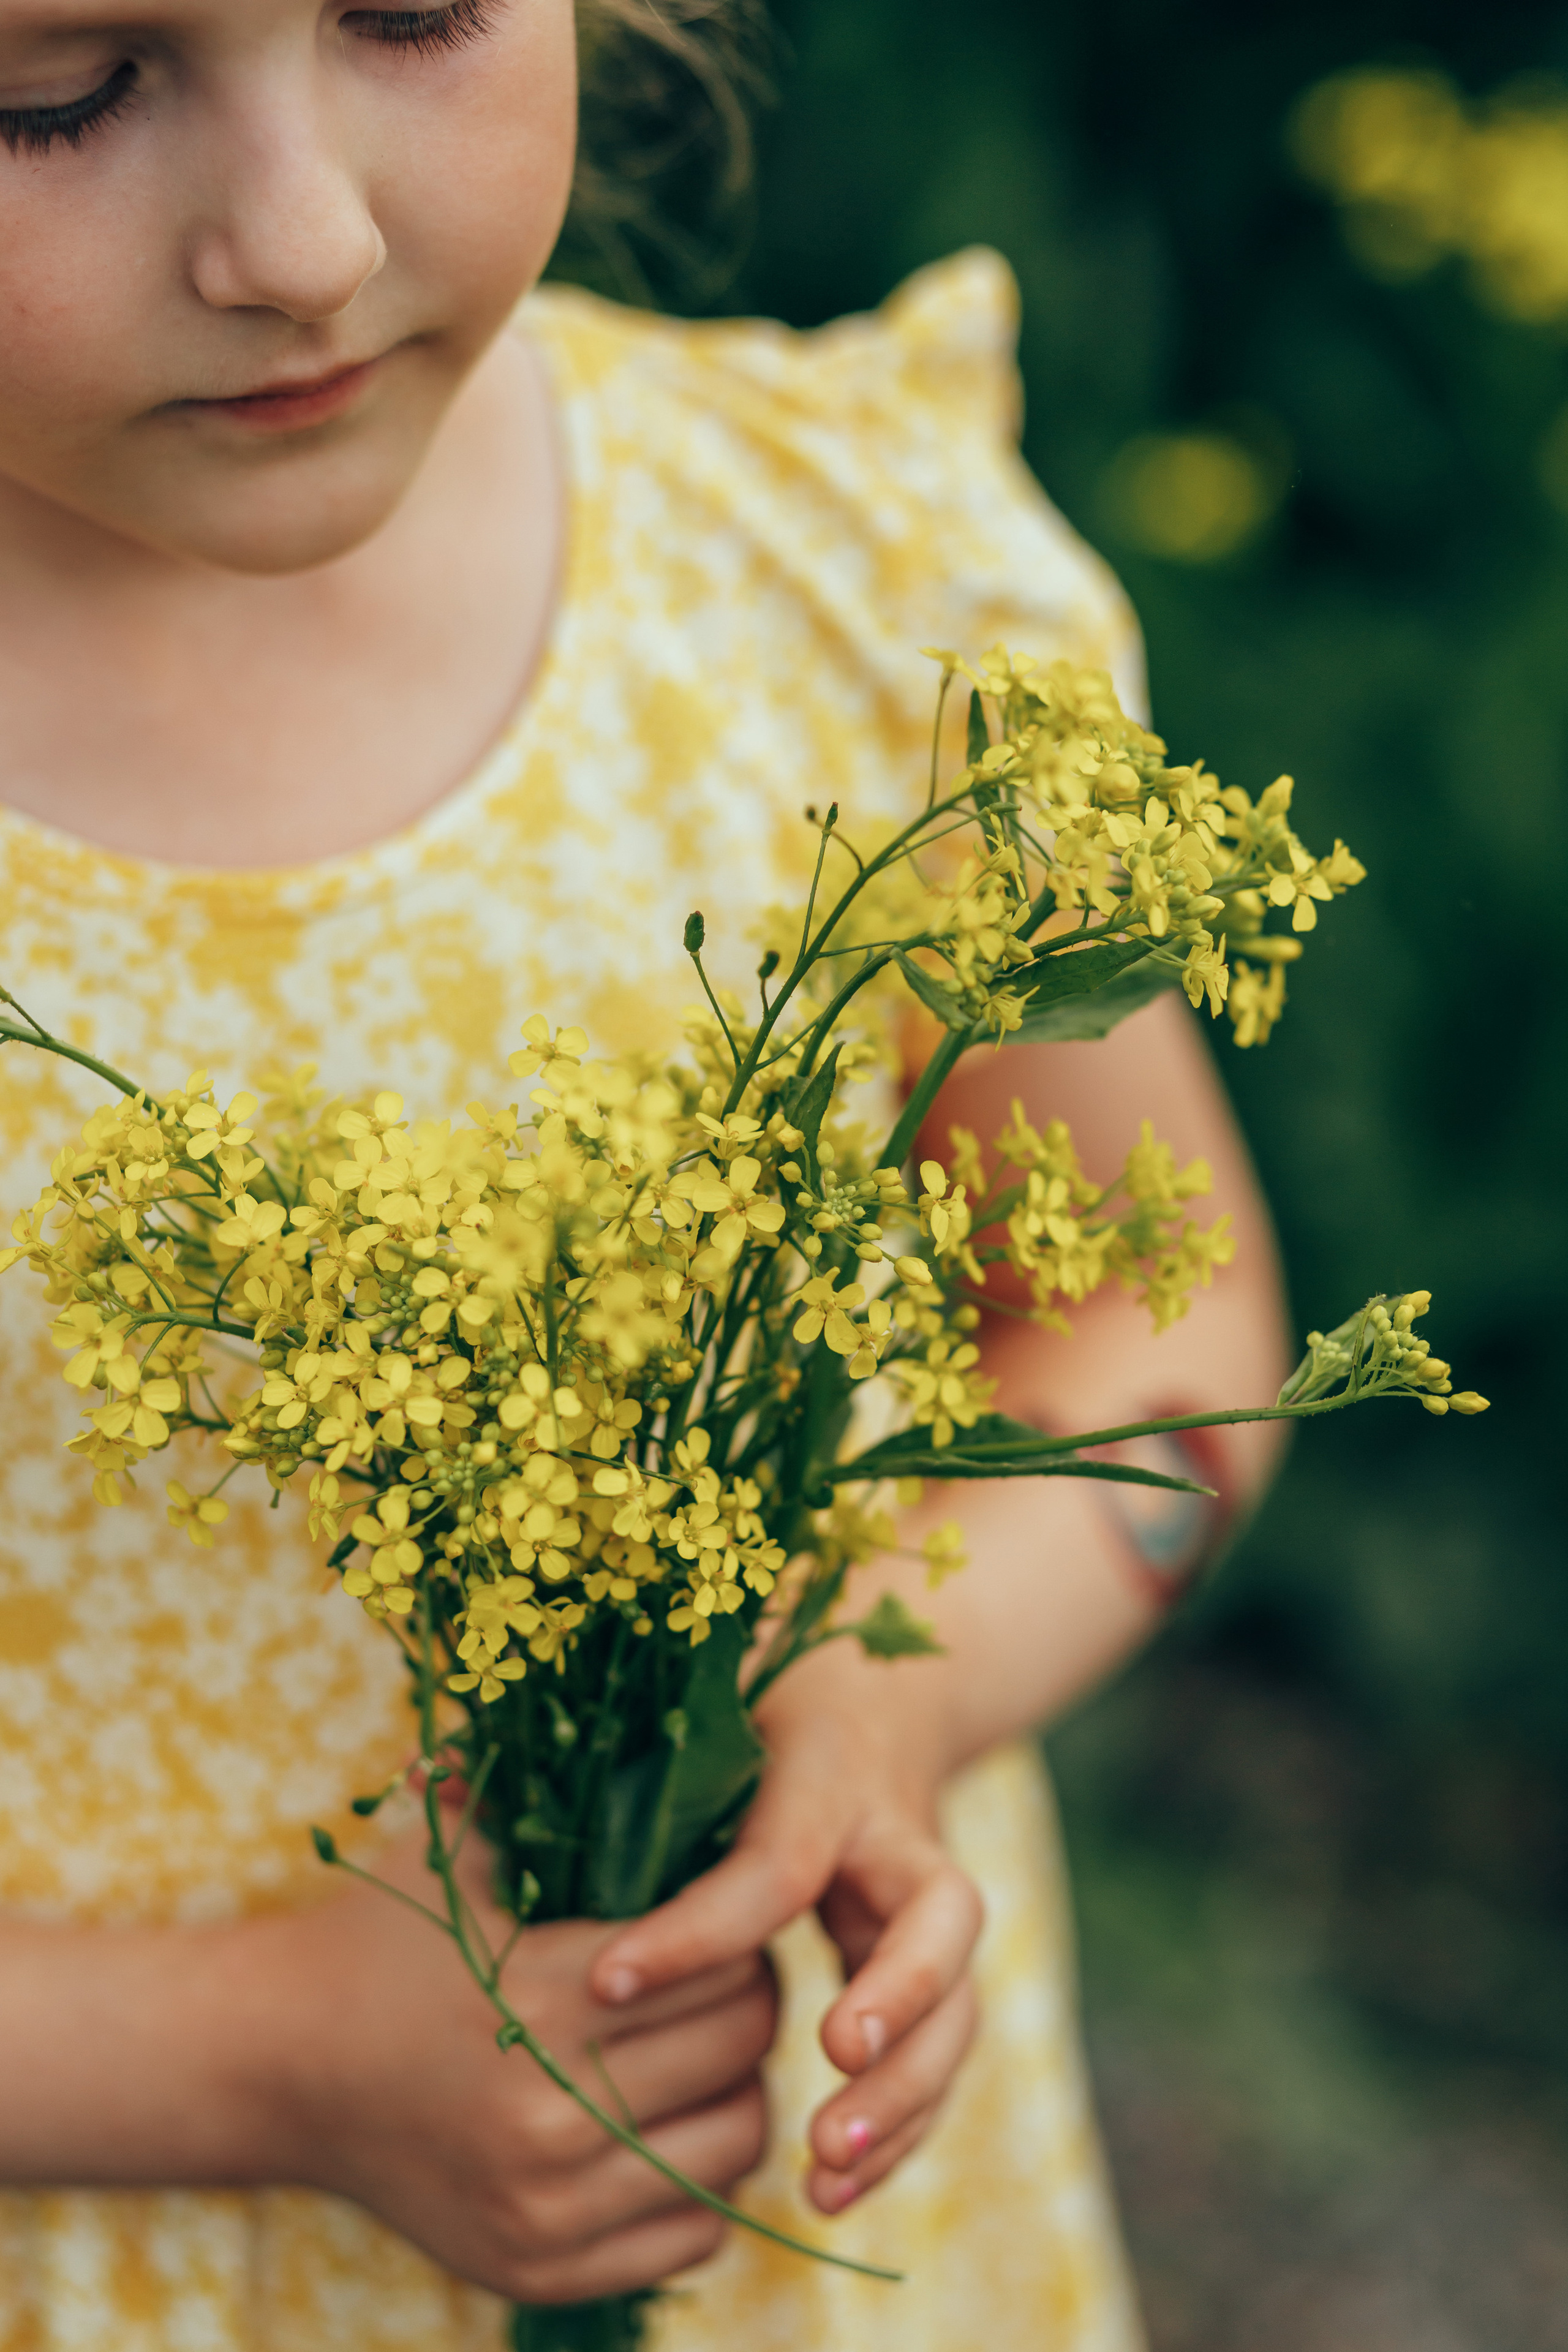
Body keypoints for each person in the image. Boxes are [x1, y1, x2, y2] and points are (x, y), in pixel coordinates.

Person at [0, 2, 1290, 2346]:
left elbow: (1158, 1338)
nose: (301, 241)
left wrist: (877, 1688)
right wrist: (265, 2062)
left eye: (412, 11)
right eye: (48, 96)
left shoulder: (836, 577)